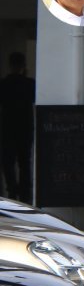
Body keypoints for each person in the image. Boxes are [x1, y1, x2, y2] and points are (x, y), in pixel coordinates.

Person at [0, 52, 36, 203]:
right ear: (23, 65)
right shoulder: (30, 84)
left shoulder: (3, 84)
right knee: (24, 162)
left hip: (7, 127)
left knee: (8, 162)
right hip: (25, 127)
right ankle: (25, 194)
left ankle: (12, 190)